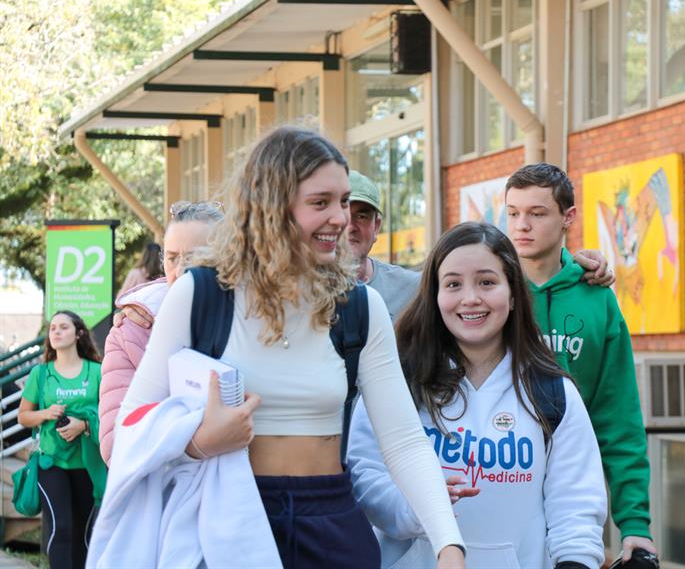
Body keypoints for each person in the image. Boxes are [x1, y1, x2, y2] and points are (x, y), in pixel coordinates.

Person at [117, 127, 466, 568]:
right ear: (271, 206)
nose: (340, 218)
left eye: (343, 201)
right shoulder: (199, 295)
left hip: (332, 522)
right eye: (320, 203)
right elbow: (130, 427)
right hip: (228, 523)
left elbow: (404, 442)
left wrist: (448, 545)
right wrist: (199, 442)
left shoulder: (360, 307)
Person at [347, 222, 607, 568]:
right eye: (453, 284)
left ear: (513, 294)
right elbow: (364, 474)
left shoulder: (552, 392)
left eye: (486, 282)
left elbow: (576, 507)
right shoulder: (398, 381)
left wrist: (575, 562)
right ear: (435, 296)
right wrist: (418, 507)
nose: (470, 298)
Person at [504, 163, 656, 561]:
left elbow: (618, 415)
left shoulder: (597, 297)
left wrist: (634, 523)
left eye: (537, 213)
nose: (521, 225)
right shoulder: (491, 291)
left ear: (567, 217)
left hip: (575, 486)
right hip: (498, 477)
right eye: (513, 213)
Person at [348, 170, 614, 323]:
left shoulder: (414, 288)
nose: (470, 298)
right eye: (513, 213)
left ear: (377, 225)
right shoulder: (429, 291)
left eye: (361, 215)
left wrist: (576, 266)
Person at [98, 201, 223, 464]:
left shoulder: (260, 318)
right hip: (172, 487)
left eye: (197, 258)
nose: (181, 270)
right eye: (172, 257)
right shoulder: (130, 331)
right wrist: (201, 445)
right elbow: (115, 446)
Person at [18, 310, 106, 569]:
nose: (56, 332)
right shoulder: (41, 374)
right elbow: (23, 416)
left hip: (88, 464)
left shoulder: (97, 371)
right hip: (51, 462)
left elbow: (111, 414)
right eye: (53, 328)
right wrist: (45, 413)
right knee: (61, 528)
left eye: (64, 327)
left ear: (79, 333)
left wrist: (84, 425)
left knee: (84, 534)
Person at [347, 170, 421, 320]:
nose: (350, 227)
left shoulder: (411, 289)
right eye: (343, 215)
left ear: (376, 227)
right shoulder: (301, 291)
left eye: (361, 216)